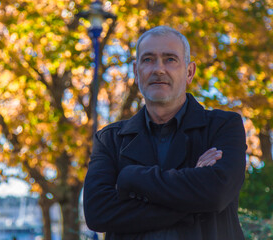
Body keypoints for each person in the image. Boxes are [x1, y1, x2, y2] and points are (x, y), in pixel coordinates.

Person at [83, 26, 247, 240]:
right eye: (148, 59)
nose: (158, 69)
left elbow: (216, 194)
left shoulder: (223, 127)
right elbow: (98, 213)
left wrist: (131, 176)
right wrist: (193, 201)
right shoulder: (110, 140)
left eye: (170, 59)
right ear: (135, 71)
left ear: (189, 72)